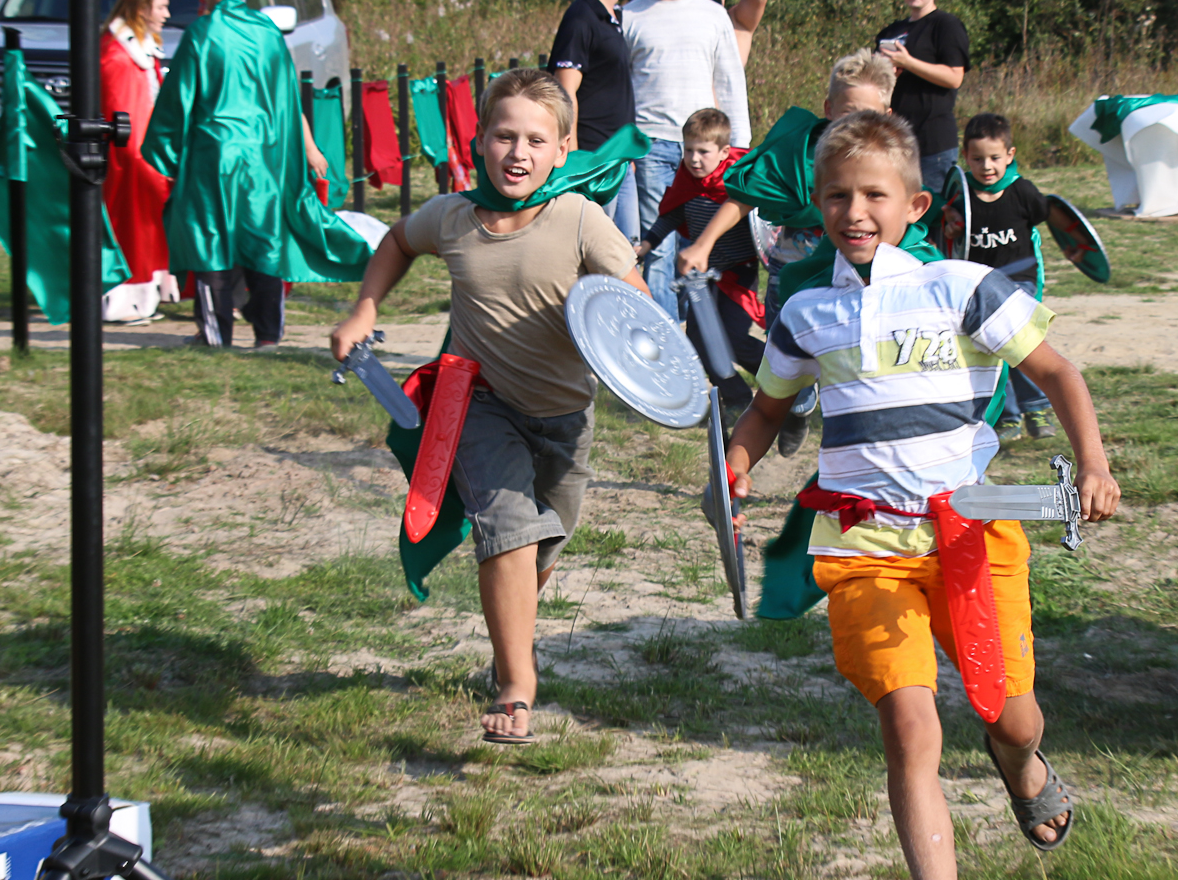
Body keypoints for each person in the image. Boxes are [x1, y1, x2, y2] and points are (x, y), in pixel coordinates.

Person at [725, 110, 1119, 876]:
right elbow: (768, 409)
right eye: (836, 195)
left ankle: (1019, 762)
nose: (854, 211)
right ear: (817, 201)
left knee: (1013, 713)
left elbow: (1057, 372)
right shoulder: (806, 316)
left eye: (875, 193)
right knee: (909, 726)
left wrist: (1094, 463)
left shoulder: (964, 288)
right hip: (864, 546)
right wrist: (735, 465)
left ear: (914, 205)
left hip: (970, 535)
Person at [329, 70, 644, 746]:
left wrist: (641, 342)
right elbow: (396, 243)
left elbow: (633, 301)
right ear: (480, 140)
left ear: (563, 149)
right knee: (507, 528)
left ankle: (511, 649)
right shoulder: (453, 216)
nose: (518, 152)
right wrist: (365, 306)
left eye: (536, 138)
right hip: (478, 403)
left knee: (540, 546)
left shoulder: (581, 218)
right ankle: (516, 685)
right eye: (504, 134)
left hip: (566, 416)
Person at [678, 48, 897, 455]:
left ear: (886, 113)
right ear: (828, 107)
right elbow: (745, 195)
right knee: (787, 345)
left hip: (863, 266)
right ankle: (797, 403)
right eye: (845, 113)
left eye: (866, 115)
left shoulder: (894, 157)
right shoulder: (799, 150)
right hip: (795, 264)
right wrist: (703, 244)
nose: (853, 125)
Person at [144, 0, 371, 349]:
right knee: (264, 240)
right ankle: (268, 334)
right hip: (263, 156)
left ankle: (216, 336)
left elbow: (179, 96)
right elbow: (286, 97)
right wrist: (295, 155)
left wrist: (164, 151)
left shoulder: (203, 32)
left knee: (211, 240)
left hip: (213, 154)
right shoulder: (268, 32)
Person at [624, 0, 751, 318]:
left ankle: (703, 329)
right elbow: (621, 86)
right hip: (651, 143)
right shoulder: (630, 15)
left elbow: (730, 80)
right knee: (658, 246)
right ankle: (667, 343)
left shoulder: (711, 15)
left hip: (704, 149)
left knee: (703, 244)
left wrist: (741, 148)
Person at [635, 108, 761, 417]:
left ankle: (787, 379)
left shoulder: (736, 186)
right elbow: (672, 215)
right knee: (697, 341)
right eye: (688, 150)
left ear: (723, 152)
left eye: (703, 151)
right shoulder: (687, 182)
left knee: (733, 338)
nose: (694, 159)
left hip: (737, 273)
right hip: (702, 276)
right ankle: (736, 396)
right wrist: (647, 244)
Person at [961, 112, 1059, 442]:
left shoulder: (1022, 192)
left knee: (1022, 346)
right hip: (981, 285)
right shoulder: (961, 196)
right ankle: (1008, 416)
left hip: (1020, 282)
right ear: (966, 158)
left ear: (1010, 156)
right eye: (977, 159)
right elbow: (950, 234)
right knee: (993, 352)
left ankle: (1037, 406)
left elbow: (1047, 214)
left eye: (994, 158)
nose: (986, 166)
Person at [549, 0, 645, 238]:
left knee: (627, 250)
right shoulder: (581, 19)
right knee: (595, 252)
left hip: (619, 158)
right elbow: (565, 93)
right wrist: (575, 162)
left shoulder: (611, 16)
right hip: (594, 162)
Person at [100, 0, 176, 325]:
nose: (166, 13)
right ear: (142, 9)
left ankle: (146, 293)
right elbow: (123, 112)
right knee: (131, 229)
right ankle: (124, 299)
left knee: (148, 229)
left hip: (146, 155)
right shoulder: (118, 55)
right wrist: (143, 160)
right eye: (160, 6)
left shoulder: (140, 48)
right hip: (130, 160)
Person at [875, 0, 969, 195]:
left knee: (930, 216)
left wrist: (909, 62)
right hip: (894, 141)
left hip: (933, 143)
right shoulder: (891, 30)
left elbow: (954, 77)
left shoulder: (946, 25)